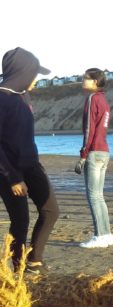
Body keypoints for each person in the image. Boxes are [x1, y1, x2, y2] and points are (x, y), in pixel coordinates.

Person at [0, 47, 59, 272]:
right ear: (22, 72)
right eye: (34, 73)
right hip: (8, 171)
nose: (35, 79)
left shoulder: (24, 96)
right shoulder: (1, 99)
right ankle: (19, 267)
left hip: (31, 164)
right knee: (20, 221)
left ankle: (35, 258)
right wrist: (13, 178)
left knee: (51, 210)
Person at [76, 68, 113, 248]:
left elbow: (89, 129)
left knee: (93, 195)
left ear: (96, 82)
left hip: (94, 152)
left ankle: (100, 235)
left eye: (86, 78)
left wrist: (83, 154)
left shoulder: (93, 99)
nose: (82, 80)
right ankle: (106, 234)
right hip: (104, 151)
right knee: (99, 195)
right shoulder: (104, 101)